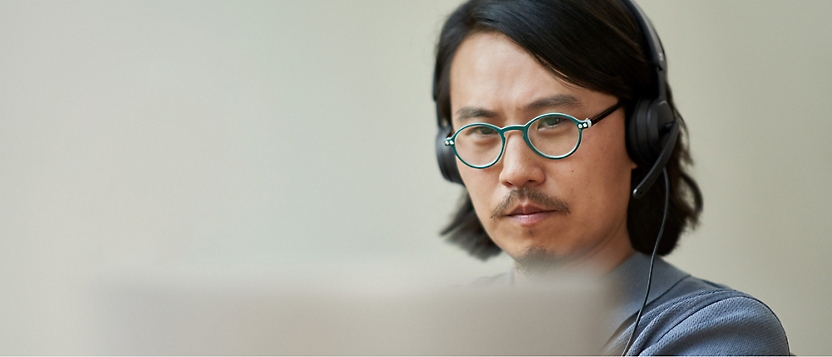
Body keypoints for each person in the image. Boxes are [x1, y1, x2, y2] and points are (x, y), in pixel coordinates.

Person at [432, 0, 790, 355]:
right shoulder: (436, 324)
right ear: (449, 155)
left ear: (643, 134)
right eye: (480, 130)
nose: (515, 171)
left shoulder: (721, 333)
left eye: (554, 122)